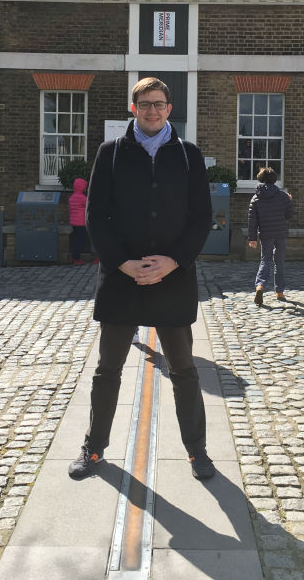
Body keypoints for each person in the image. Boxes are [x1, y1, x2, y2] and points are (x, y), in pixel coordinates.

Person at [68, 77, 214, 480]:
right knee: (107, 369)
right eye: (145, 104)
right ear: (133, 108)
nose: (153, 110)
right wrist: (120, 263)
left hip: (173, 277)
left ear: (170, 108)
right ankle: (93, 448)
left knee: (184, 370)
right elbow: (96, 216)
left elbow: (201, 217)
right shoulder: (111, 153)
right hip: (121, 278)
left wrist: (174, 261)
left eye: (160, 104)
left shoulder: (188, 154)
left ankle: (197, 451)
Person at [247, 166, 294, 305]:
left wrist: (252, 238)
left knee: (265, 260)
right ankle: (279, 292)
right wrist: (289, 201)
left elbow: (252, 221)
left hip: (266, 234)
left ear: (260, 180)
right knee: (279, 262)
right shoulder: (283, 196)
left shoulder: (255, 198)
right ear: (274, 179)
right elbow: (289, 215)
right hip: (280, 232)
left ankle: (260, 286)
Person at [68, 177, 88, 265]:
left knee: (76, 240)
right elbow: (89, 205)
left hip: (73, 223)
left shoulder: (71, 198)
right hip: (81, 223)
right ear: (82, 187)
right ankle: (77, 259)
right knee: (79, 241)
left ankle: (74, 257)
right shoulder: (82, 198)